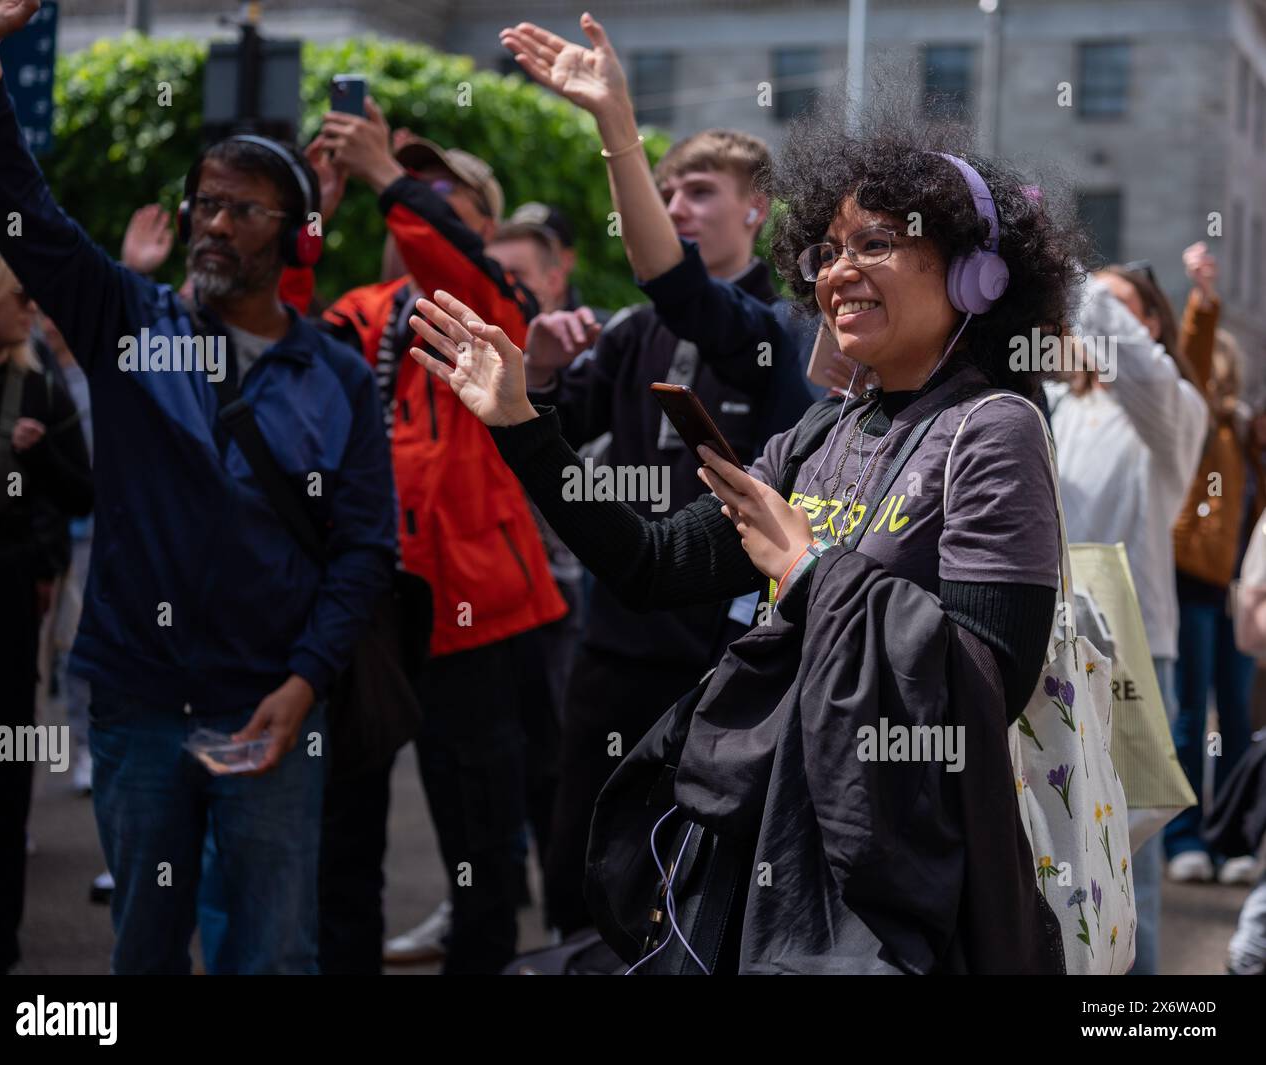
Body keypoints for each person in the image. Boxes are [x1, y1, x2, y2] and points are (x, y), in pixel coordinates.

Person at [407, 24, 1083, 971]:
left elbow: (983, 687)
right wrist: (523, 422)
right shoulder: (823, 431)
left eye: (877, 244)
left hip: (896, 870)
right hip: (776, 836)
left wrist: (810, 572)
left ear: (975, 270)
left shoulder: (995, 430)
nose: (837, 272)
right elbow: (649, 563)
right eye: (830, 249)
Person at [0, 3, 398, 975]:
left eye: (244, 209)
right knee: (145, 948)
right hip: (136, 703)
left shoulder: (333, 376)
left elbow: (368, 547)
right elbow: (24, 218)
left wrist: (302, 685)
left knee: (274, 953)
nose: (213, 224)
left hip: (270, 710)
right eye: (206, 202)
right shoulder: (130, 319)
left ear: (294, 237)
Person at [500, 16, 816, 938]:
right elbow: (554, 439)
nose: (678, 204)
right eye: (666, 188)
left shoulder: (776, 336)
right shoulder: (635, 334)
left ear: (757, 207)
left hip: (716, 660)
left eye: (701, 190)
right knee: (576, 865)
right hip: (612, 641)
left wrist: (616, 126)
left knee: (682, 887)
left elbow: (674, 281)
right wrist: (542, 373)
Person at [314, 101, 567, 974]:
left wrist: (388, 175)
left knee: (481, 849)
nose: (407, 202)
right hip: (362, 613)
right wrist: (316, 204)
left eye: (433, 192)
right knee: (340, 838)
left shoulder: (498, 309)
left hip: (476, 618)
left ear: (482, 227)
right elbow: (268, 349)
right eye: (401, 185)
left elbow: (476, 283)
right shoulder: (355, 310)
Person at [1046, 265, 1208, 975]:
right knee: (1054, 842)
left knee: (1126, 856)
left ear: (1149, 325)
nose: (1087, 321)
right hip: (1051, 645)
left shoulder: (1173, 409)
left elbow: (1125, 351)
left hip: (1137, 652)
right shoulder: (1052, 401)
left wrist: (1061, 264)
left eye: (1115, 306)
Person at [0, 230, 92, 974]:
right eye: (19, 293)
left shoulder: (37, 380)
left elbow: (83, 491)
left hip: (8, 610)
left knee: (1, 780)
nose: (32, 308)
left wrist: (36, 455)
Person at [1165, 242, 1264, 886]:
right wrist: (1202, 298)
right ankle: (1185, 836)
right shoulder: (1195, 420)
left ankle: (1234, 834)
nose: (1224, 376)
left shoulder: (1249, 436)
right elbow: (1193, 359)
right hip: (1191, 583)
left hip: (1238, 595)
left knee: (1236, 712)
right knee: (1190, 716)